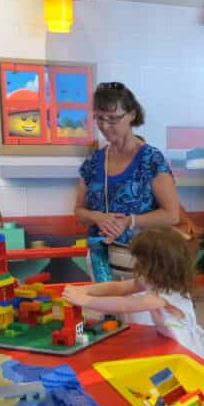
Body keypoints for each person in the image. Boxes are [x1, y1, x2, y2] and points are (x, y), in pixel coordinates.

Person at [74, 83, 179, 292]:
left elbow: (172, 215)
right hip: (100, 258)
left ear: (131, 115)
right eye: (99, 118)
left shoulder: (151, 159)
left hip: (142, 259)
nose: (105, 126)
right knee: (111, 320)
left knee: (141, 320)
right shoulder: (94, 161)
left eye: (113, 119)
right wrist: (98, 217)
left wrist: (129, 221)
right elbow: (78, 211)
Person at [61, 228, 204, 360]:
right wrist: (85, 290)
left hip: (187, 350)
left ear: (160, 266)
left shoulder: (165, 295)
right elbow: (119, 288)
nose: (137, 266)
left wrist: (85, 300)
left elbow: (125, 305)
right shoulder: (153, 280)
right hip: (168, 342)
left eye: (143, 263)